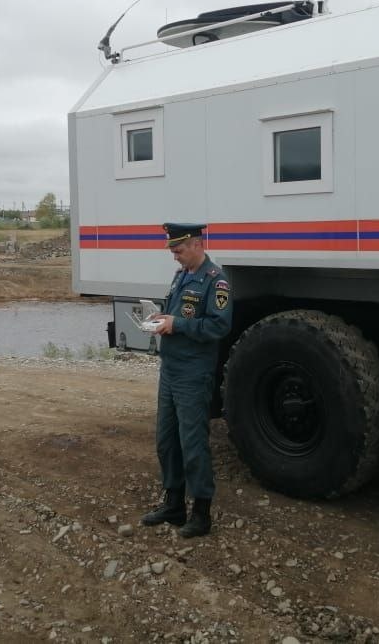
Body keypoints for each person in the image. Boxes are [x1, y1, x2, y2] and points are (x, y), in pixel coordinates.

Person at [140, 222, 232, 538]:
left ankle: (201, 513)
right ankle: (174, 504)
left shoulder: (215, 281)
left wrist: (177, 324)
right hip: (171, 369)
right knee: (166, 441)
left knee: (193, 444)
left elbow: (218, 327)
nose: (175, 257)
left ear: (195, 244)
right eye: (173, 251)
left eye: (178, 250)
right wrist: (160, 319)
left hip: (193, 373)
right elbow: (178, 312)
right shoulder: (182, 275)